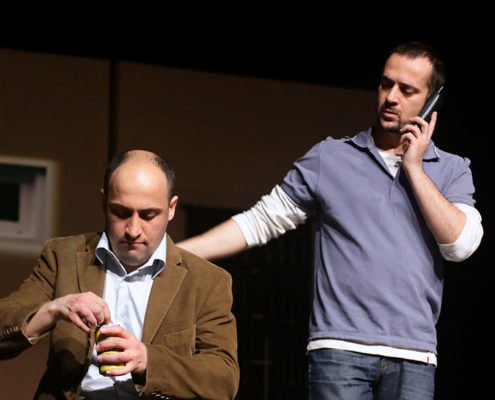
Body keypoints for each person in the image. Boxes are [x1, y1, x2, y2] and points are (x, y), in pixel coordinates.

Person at [177, 42, 483, 399]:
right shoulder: (330, 158)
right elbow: (259, 223)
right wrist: (173, 253)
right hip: (338, 351)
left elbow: (459, 246)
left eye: (407, 90)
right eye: (386, 84)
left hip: (414, 355)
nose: (391, 97)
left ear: (431, 102)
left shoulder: (452, 169)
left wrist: (414, 167)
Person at [0, 150, 239, 399]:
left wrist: (147, 360)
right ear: (103, 202)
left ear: (171, 208)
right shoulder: (64, 257)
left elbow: (224, 378)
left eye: (148, 215)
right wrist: (53, 309)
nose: (133, 230)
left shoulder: (207, 281)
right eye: (121, 212)